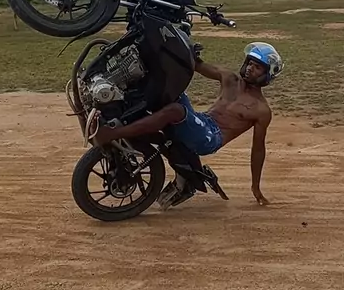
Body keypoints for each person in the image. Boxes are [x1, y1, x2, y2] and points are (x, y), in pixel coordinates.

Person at [94, 41, 284, 206]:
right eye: (250, 63)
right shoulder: (230, 78)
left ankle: (113, 133)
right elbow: (196, 66)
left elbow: (258, 149)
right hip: (202, 120)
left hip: (210, 137)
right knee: (169, 90)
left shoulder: (261, 110)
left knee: (176, 111)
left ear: (268, 75)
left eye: (257, 67)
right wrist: (186, 50)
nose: (250, 68)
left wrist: (255, 187)